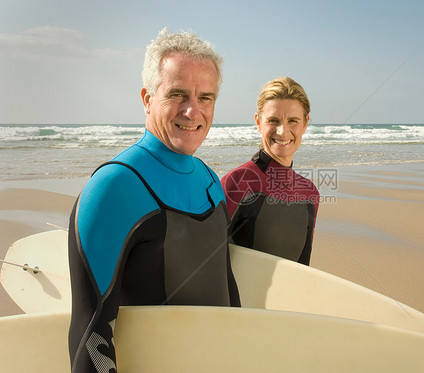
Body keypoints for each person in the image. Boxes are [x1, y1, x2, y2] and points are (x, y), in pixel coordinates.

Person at [68, 28, 240, 372]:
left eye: (206, 97)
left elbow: (227, 292)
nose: (193, 111)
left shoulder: (210, 181)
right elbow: (91, 333)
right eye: (178, 94)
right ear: (147, 98)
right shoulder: (113, 187)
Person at [221, 77, 319, 265]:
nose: (282, 132)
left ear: (305, 123)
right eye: (273, 120)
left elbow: (303, 269)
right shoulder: (238, 181)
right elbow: (209, 260)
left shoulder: (310, 193)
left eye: (293, 121)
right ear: (258, 122)